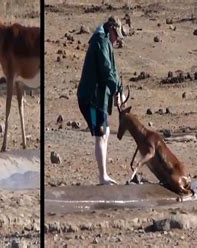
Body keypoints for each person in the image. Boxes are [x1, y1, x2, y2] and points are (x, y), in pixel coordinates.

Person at [77, 16, 125, 185]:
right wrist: (117, 89)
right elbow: (106, 70)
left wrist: (119, 89)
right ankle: (103, 176)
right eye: (117, 35)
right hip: (91, 98)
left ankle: (104, 175)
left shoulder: (105, 42)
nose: (118, 39)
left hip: (100, 98)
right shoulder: (100, 42)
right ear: (111, 28)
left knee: (105, 134)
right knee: (100, 134)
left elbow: (112, 70)